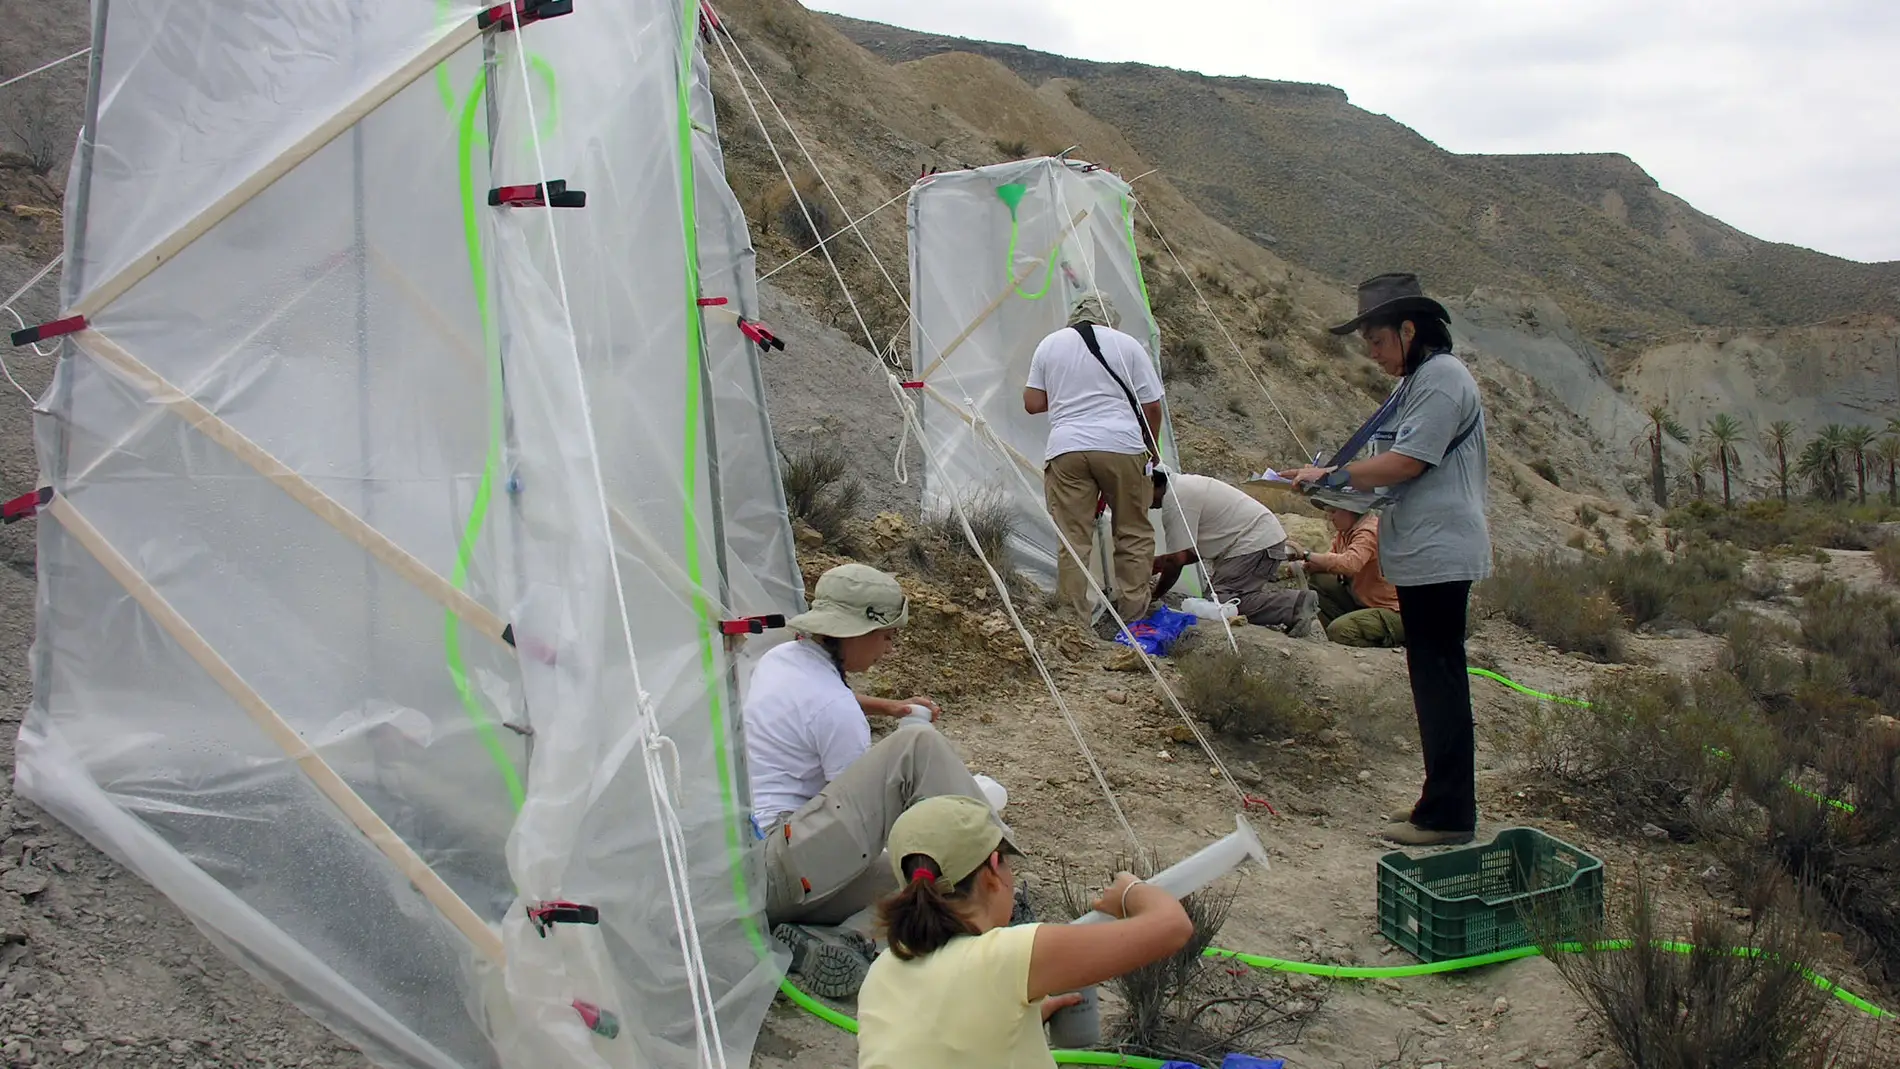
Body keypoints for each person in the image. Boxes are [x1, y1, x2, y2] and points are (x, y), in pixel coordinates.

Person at [1283, 273, 1491, 847]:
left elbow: (1406, 463)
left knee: (1440, 679)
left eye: (1376, 342)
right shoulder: (1420, 381)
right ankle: (1438, 798)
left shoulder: (1443, 380)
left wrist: (1336, 475)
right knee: (1430, 678)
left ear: (1407, 330)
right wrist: (1336, 491)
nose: (1372, 355)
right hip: (1422, 549)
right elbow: (1389, 468)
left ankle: (1449, 814)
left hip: (1440, 551)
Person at [744, 562, 1002, 996]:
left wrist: (889, 707)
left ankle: (844, 938)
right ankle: (996, 862)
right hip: (787, 863)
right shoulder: (837, 713)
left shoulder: (781, 658)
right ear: (855, 632)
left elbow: (822, 700)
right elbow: (865, 827)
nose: (889, 649)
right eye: (886, 636)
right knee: (918, 749)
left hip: (763, 871)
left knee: (925, 884)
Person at [856, 795, 1193, 1069]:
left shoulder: (881, 971)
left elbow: (935, 1040)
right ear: (991, 870)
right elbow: (1173, 927)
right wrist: (1130, 891)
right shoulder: (1007, 955)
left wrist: (1019, 1019)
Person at [1024, 291, 1165, 628]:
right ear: (1109, 319)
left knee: (1073, 539)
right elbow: (1153, 406)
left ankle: (1074, 624)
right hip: (1122, 446)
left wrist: (1067, 397)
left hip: (1067, 449)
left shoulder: (1049, 344)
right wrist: (1152, 447)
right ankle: (1134, 618)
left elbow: (1031, 402)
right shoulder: (1127, 345)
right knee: (1132, 531)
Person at [1150, 470, 1319, 636]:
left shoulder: (1176, 500)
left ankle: (1294, 604)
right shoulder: (1183, 486)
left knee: (1220, 605)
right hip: (1257, 539)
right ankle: (1290, 606)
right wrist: (1161, 563)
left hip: (1255, 542)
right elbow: (1194, 551)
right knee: (1216, 601)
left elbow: (1176, 560)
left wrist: (1155, 595)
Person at [1291, 489, 1404, 647]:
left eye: (1334, 511)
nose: (1330, 517)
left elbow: (1350, 564)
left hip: (1391, 610)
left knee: (1339, 632)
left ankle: (1385, 640)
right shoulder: (1346, 532)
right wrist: (1304, 566)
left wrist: (1306, 554)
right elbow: (1330, 561)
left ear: (1350, 510)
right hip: (1365, 601)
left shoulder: (1369, 531)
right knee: (1319, 580)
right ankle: (1348, 624)